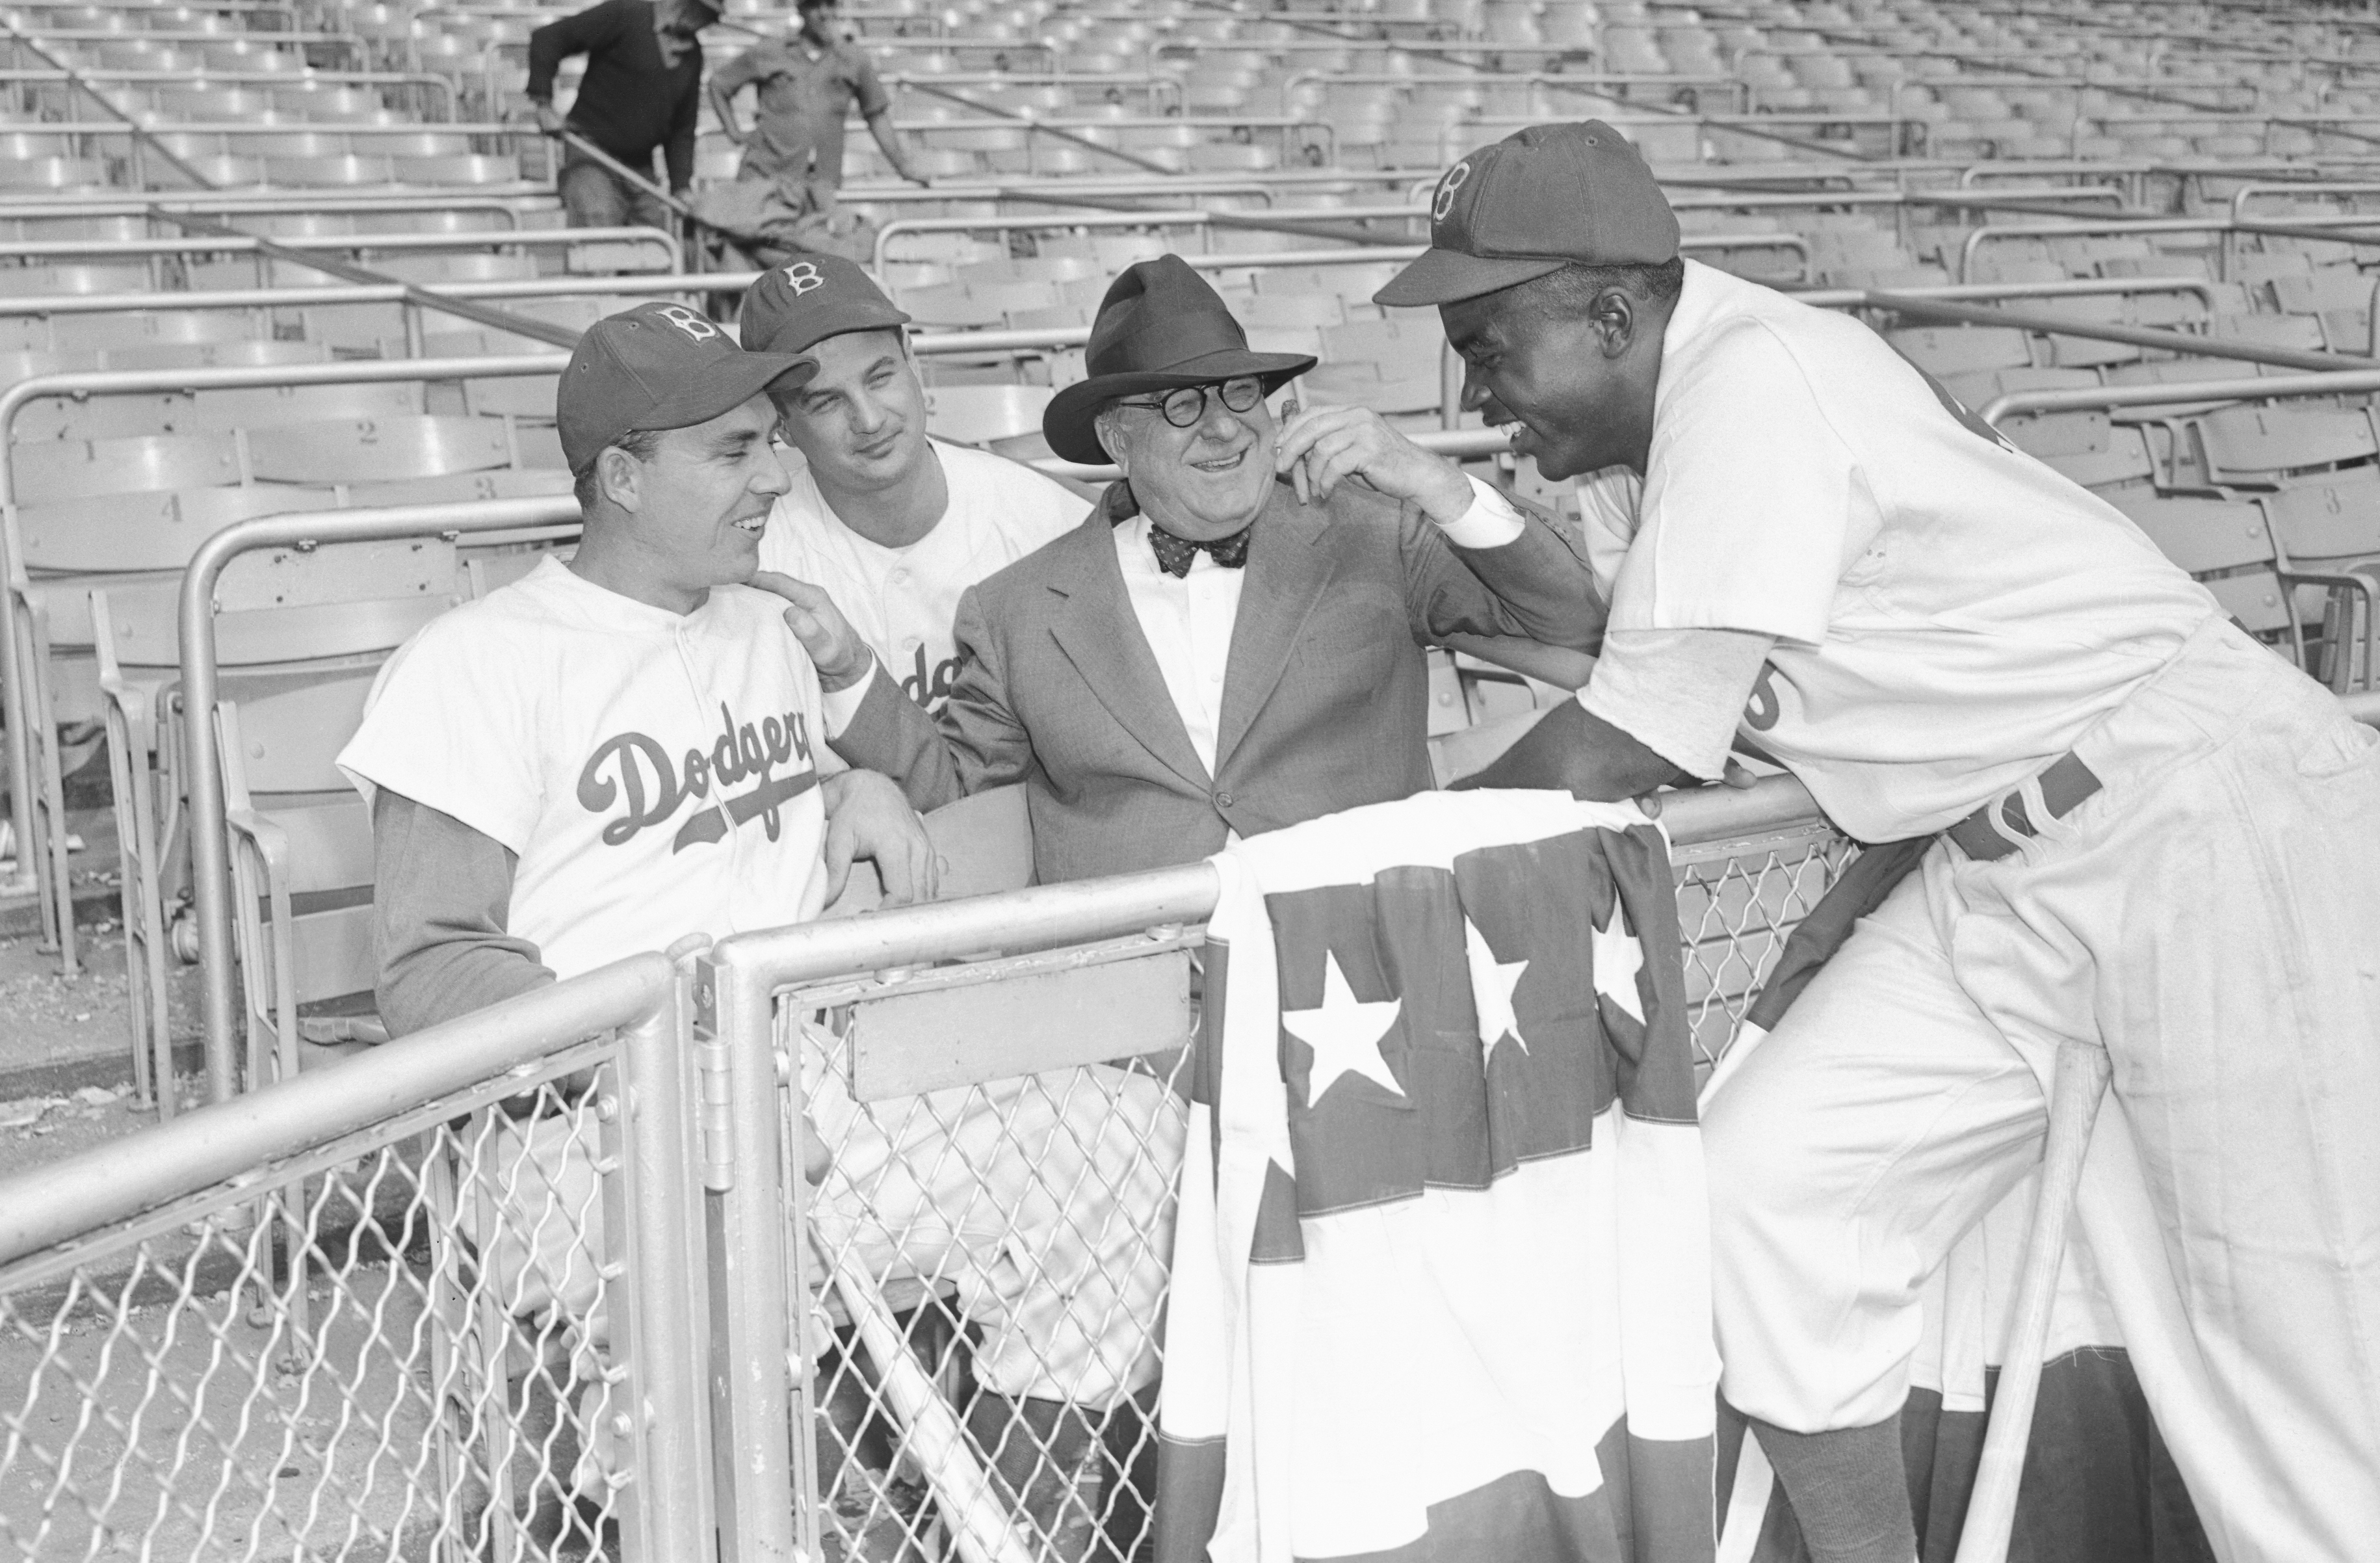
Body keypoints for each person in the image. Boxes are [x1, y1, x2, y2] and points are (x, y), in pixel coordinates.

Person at [1374, 120, 2380, 1563]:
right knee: (1769, 1195)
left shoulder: (1750, 381)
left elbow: (1628, 739)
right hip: (2006, 861)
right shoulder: (1658, 437)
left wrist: (1366, 867)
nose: (1471, 384)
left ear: (1613, 312)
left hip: (2204, 817)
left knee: (2306, 1343)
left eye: (1486, 339)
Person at [338, 301, 1183, 1540]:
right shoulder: (475, 663)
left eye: (763, 442)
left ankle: (1014, 1520)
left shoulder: (767, 621)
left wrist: (865, 780)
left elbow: (871, 791)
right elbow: (432, 972)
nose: (777, 472)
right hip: (596, 1131)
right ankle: (646, 1521)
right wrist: (678, 1070)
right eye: (732, 450)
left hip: (826, 1090)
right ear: (621, 477)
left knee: (1122, 1139)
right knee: (727, 1281)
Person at [774, 254, 1603, 886]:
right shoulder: (1016, 610)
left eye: (1240, 394)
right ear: (1115, 439)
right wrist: (848, 671)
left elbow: (1568, 621)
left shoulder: (1373, 532)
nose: (1223, 430)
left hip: (1369, 967)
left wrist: (1443, 486)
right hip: (1140, 1014)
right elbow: (952, 786)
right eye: (1181, 404)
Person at [740, 249, 1089, 714]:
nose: (868, 420)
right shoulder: (752, 562)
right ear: (780, 423)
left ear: (911, 360)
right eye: (826, 402)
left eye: (880, 378)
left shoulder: (1047, 519)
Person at [526, 0, 736, 228]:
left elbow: (682, 129)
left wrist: (681, 186)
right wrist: (544, 103)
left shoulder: (693, 54)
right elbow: (548, 39)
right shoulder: (627, 15)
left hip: (640, 168)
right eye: (706, 12)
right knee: (599, 218)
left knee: (660, 238)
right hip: (591, 155)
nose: (709, 23)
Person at [708, 0, 928, 204]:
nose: (824, 14)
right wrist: (735, 133)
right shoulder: (771, 52)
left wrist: (903, 167)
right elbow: (719, 85)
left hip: (821, 184)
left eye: (829, 5)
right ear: (800, 11)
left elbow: (877, 115)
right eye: (814, 6)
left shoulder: (853, 58)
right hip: (766, 178)